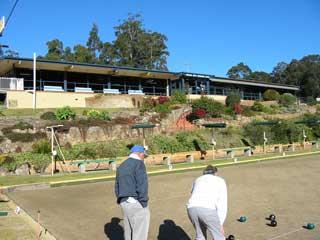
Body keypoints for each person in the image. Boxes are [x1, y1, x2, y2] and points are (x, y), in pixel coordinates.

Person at [115, 145, 150, 240]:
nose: (144, 158)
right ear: (139, 154)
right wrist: (144, 202)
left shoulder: (122, 165)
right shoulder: (139, 164)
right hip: (136, 202)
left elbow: (117, 186)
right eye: (143, 155)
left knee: (129, 232)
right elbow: (142, 184)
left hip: (124, 201)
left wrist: (120, 199)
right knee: (140, 233)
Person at [186, 165, 227, 240]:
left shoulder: (197, 179)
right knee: (219, 237)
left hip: (191, 208)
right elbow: (222, 203)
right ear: (215, 173)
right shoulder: (220, 180)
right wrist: (220, 224)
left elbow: (192, 192)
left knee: (200, 236)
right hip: (207, 209)